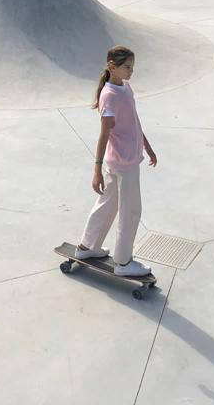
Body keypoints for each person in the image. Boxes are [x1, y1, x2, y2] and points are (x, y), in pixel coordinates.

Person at [74, 45, 158, 277]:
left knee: (108, 204)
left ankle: (87, 247)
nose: (131, 71)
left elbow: (134, 122)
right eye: (126, 67)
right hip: (124, 163)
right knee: (131, 211)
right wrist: (96, 170)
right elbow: (104, 135)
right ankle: (123, 262)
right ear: (112, 66)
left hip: (125, 159)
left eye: (132, 67)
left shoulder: (125, 88)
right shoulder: (109, 95)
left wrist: (148, 147)